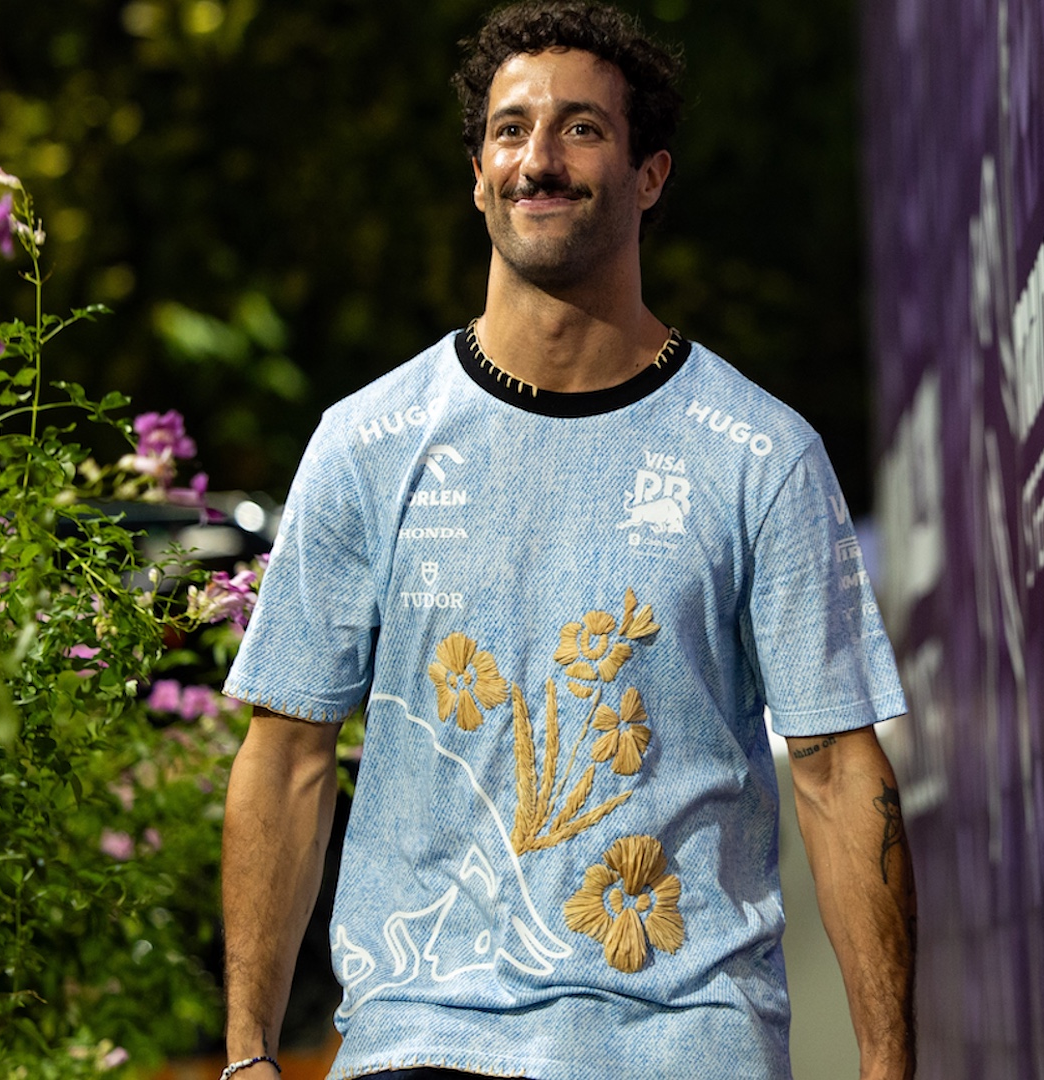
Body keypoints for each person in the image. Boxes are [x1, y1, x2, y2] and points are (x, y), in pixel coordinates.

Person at [217, 3, 916, 1078]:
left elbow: (834, 771)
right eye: (510, 129)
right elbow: (289, 756)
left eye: (582, 128)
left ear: (650, 176)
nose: (538, 158)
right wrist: (248, 1055)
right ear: (477, 172)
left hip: (688, 1040)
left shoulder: (759, 454)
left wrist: (885, 1068)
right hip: (426, 1037)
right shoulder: (367, 444)